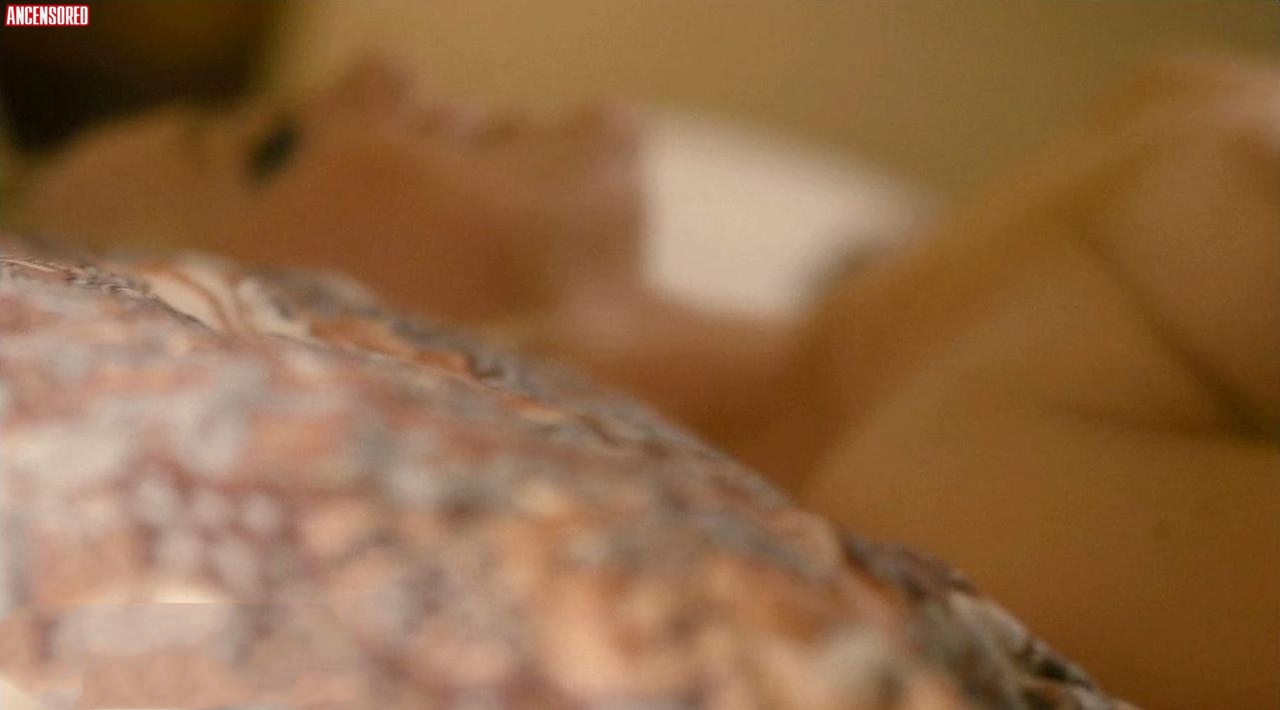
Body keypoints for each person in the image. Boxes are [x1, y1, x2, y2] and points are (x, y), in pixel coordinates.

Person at [7, 54, 1278, 710]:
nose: (374, 71)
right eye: (275, 146)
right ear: (269, 331)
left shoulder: (902, 311)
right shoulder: (964, 483)